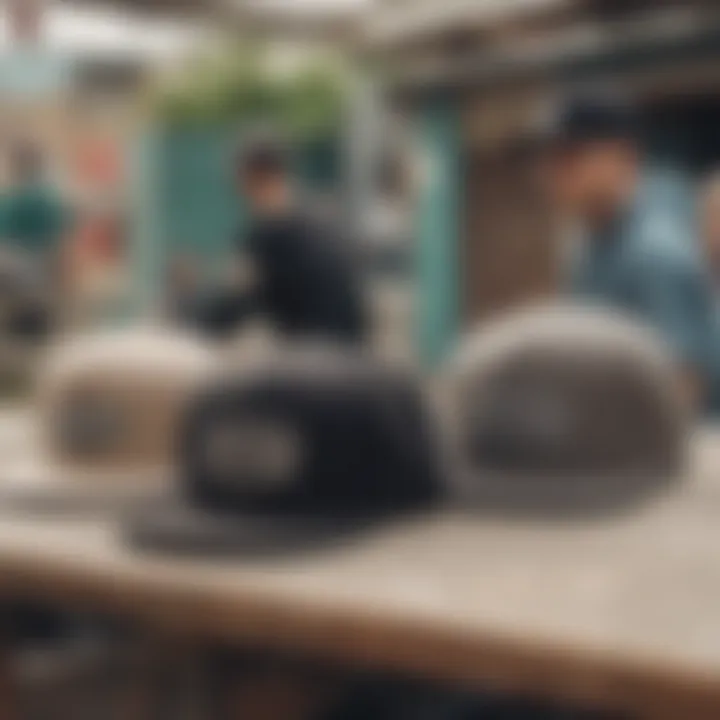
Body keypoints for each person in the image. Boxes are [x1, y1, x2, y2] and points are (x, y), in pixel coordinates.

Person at [537, 91, 718, 412]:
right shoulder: (595, 240)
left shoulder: (655, 248)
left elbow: (682, 383)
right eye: (552, 161)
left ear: (622, 156)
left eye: (571, 159)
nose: (556, 175)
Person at [195, 136, 368, 344]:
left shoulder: (269, 232)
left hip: (312, 360)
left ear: (251, 177)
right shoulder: (326, 220)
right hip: (353, 354)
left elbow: (230, 307)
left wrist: (197, 325)